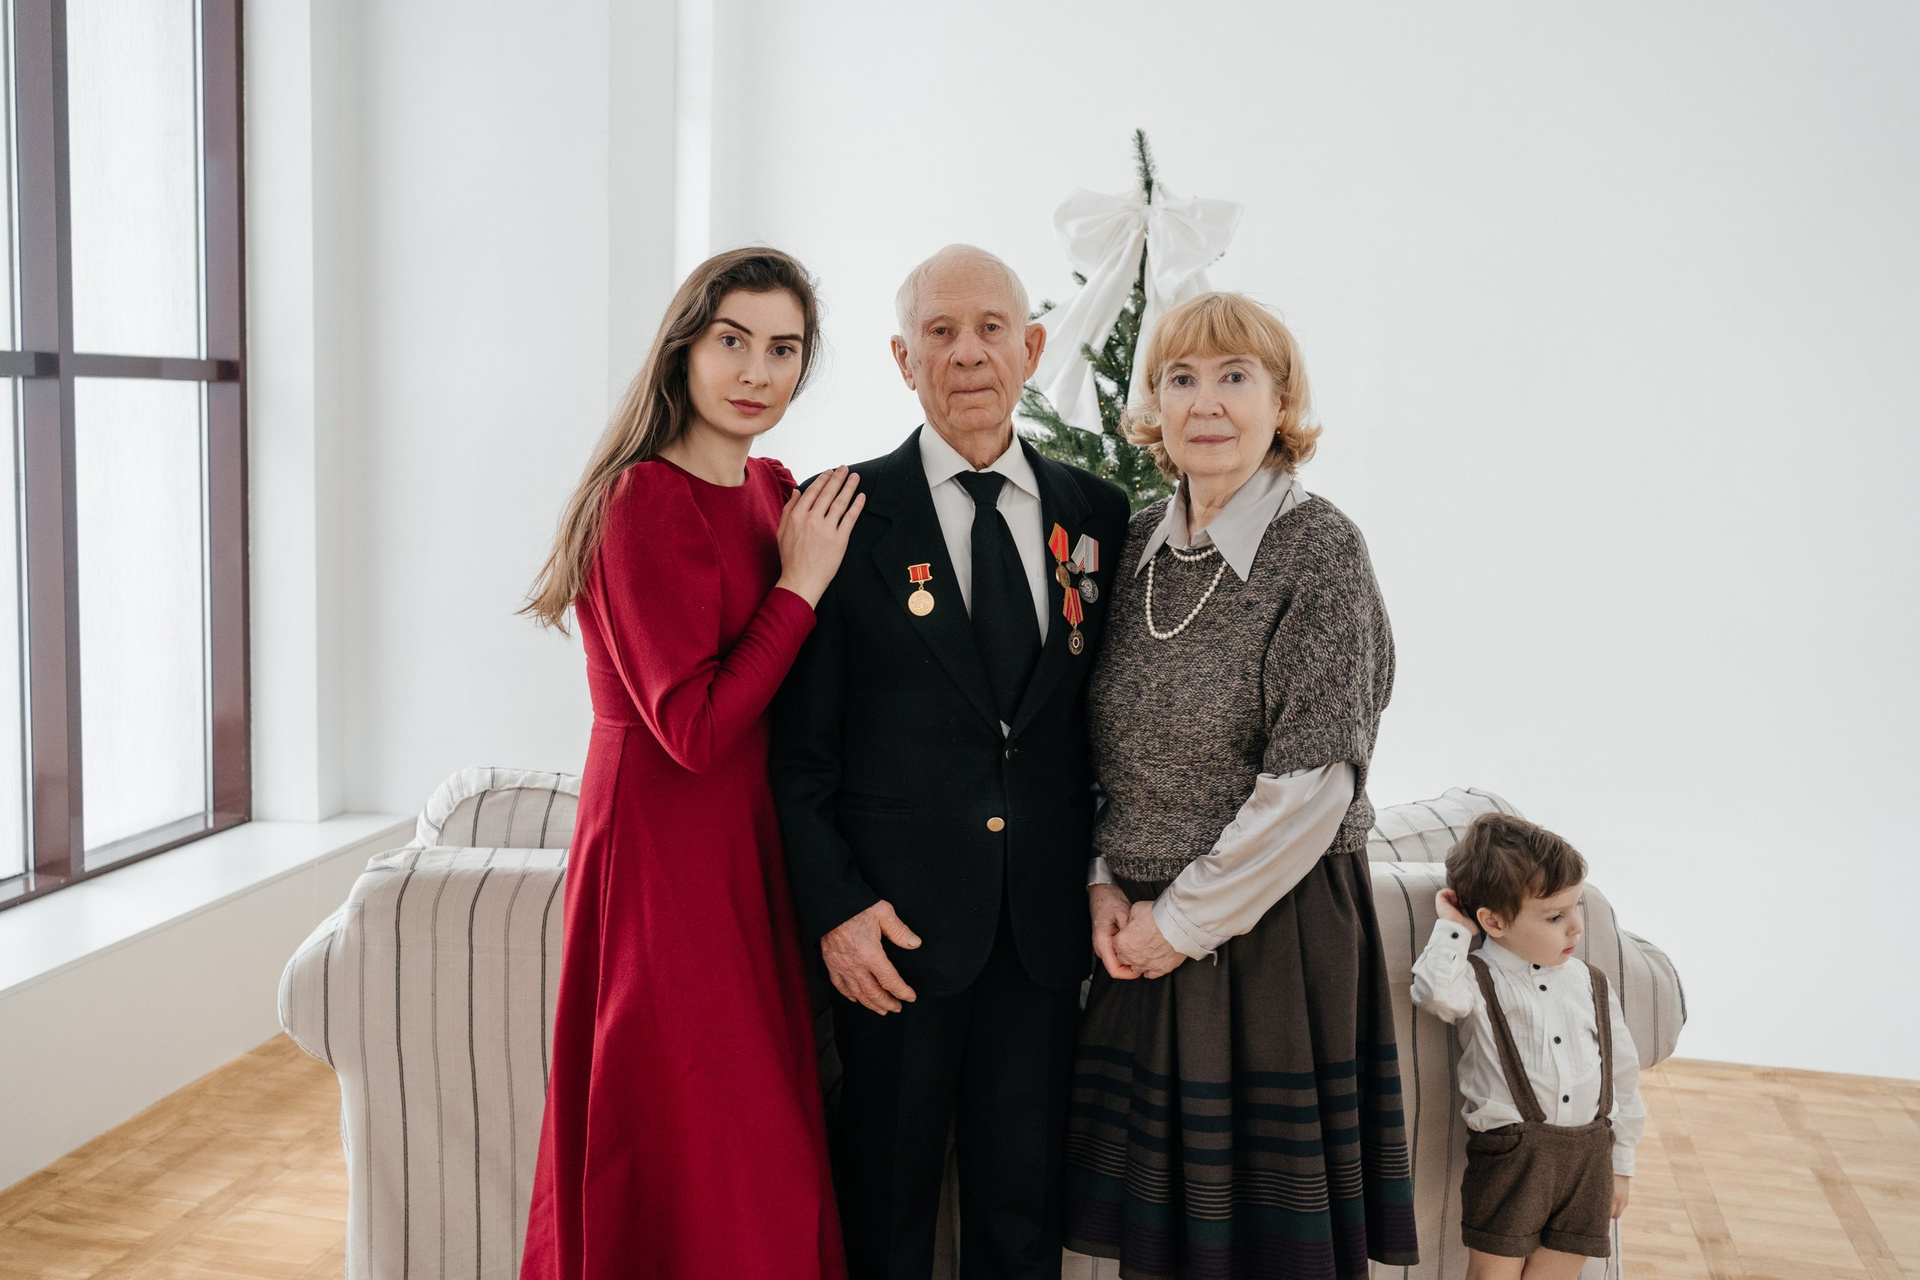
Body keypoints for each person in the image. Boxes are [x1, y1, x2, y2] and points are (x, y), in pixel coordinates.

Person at [771, 244, 1131, 1280]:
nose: (967, 352)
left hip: (1040, 936)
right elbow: (796, 755)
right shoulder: (840, 512)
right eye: (939, 332)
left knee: (1021, 1225)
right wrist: (837, 909)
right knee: (884, 1218)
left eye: (990, 329)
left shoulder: (1098, 515)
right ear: (903, 358)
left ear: (1032, 347)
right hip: (892, 938)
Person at [519, 247, 863, 1279]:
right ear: (684, 348)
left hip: (747, 849)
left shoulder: (771, 489)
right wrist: (799, 587)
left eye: (783, 349)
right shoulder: (641, 499)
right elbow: (696, 729)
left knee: (753, 1148)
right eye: (733, 340)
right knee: (700, 1135)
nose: (757, 371)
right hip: (661, 857)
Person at [1064, 291, 1420, 1279]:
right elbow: (1088, 745)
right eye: (1181, 378)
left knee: (1265, 1251)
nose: (1206, 402)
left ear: (1282, 401)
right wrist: (1102, 879)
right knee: (1164, 1245)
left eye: (1235, 376)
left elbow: (1314, 781)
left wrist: (1180, 923)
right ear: (1155, 405)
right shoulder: (1132, 546)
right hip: (1137, 930)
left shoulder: (1321, 549)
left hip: (1272, 933)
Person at [1412, 813, 1646, 1279]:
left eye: (1576, 908)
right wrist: (1454, 927)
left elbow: (1623, 1075)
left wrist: (1621, 1163)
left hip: (1590, 1160)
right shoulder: (1477, 979)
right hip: (1512, 1159)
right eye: (1555, 917)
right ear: (1493, 921)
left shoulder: (1591, 983)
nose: (1575, 928)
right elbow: (1432, 991)